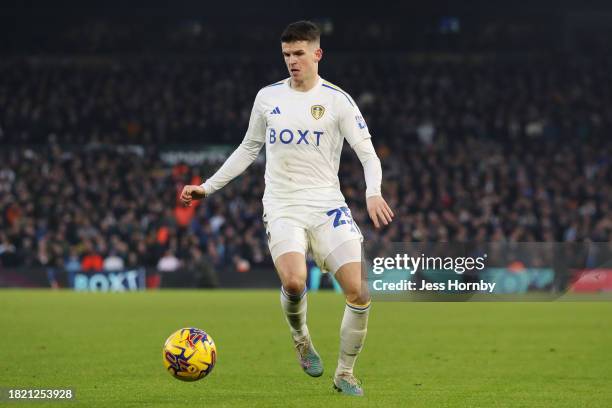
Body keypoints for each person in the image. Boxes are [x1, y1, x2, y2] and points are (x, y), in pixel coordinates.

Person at [180, 20, 393, 396]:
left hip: (328, 206)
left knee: (359, 290)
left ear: (317, 54)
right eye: (286, 55)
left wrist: (372, 192)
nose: (292, 61)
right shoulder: (268, 98)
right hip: (283, 205)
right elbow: (249, 148)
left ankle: (345, 373)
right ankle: (301, 339)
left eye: (298, 54)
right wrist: (208, 187)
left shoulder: (337, 101)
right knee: (294, 281)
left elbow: (368, 155)